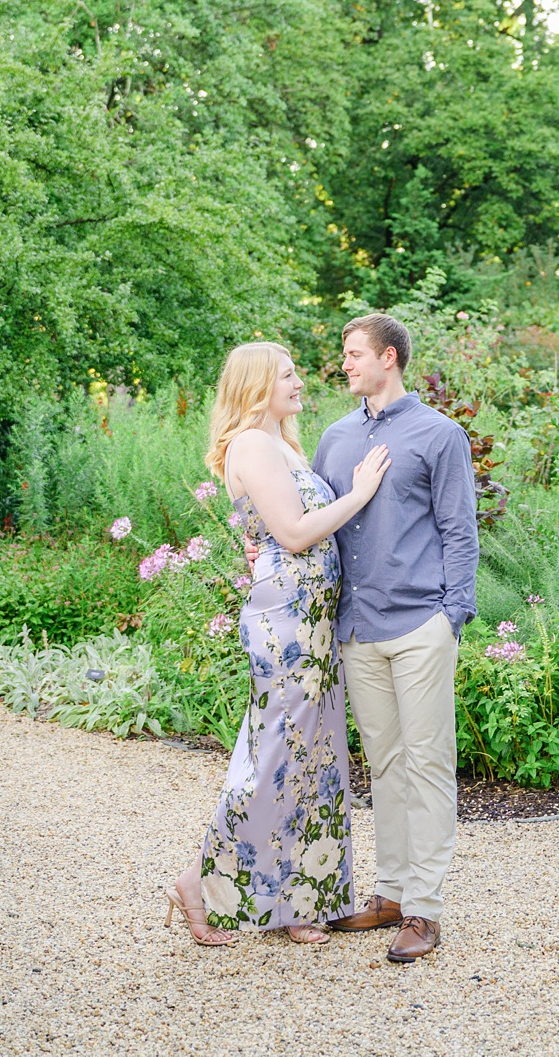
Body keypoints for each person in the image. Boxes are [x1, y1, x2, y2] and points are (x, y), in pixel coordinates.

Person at [167, 342, 389, 948]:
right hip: (286, 623)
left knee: (311, 758)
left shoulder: (284, 445)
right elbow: (291, 534)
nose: (300, 383)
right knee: (273, 753)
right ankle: (198, 882)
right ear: (259, 384)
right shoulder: (252, 444)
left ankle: (293, 900)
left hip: (313, 619)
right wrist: (360, 494)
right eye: (288, 375)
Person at [313, 312, 478, 965]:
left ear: (389, 358)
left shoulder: (440, 436)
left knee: (428, 762)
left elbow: (460, 530)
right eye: (343, 355)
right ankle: (389, 893)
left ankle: (425, 909)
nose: (345, 364)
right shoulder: (334, 437)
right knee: (384, 765)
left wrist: (452, 616)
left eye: (354, 354)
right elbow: (321, 520)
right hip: (358, 629)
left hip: (420, 627)